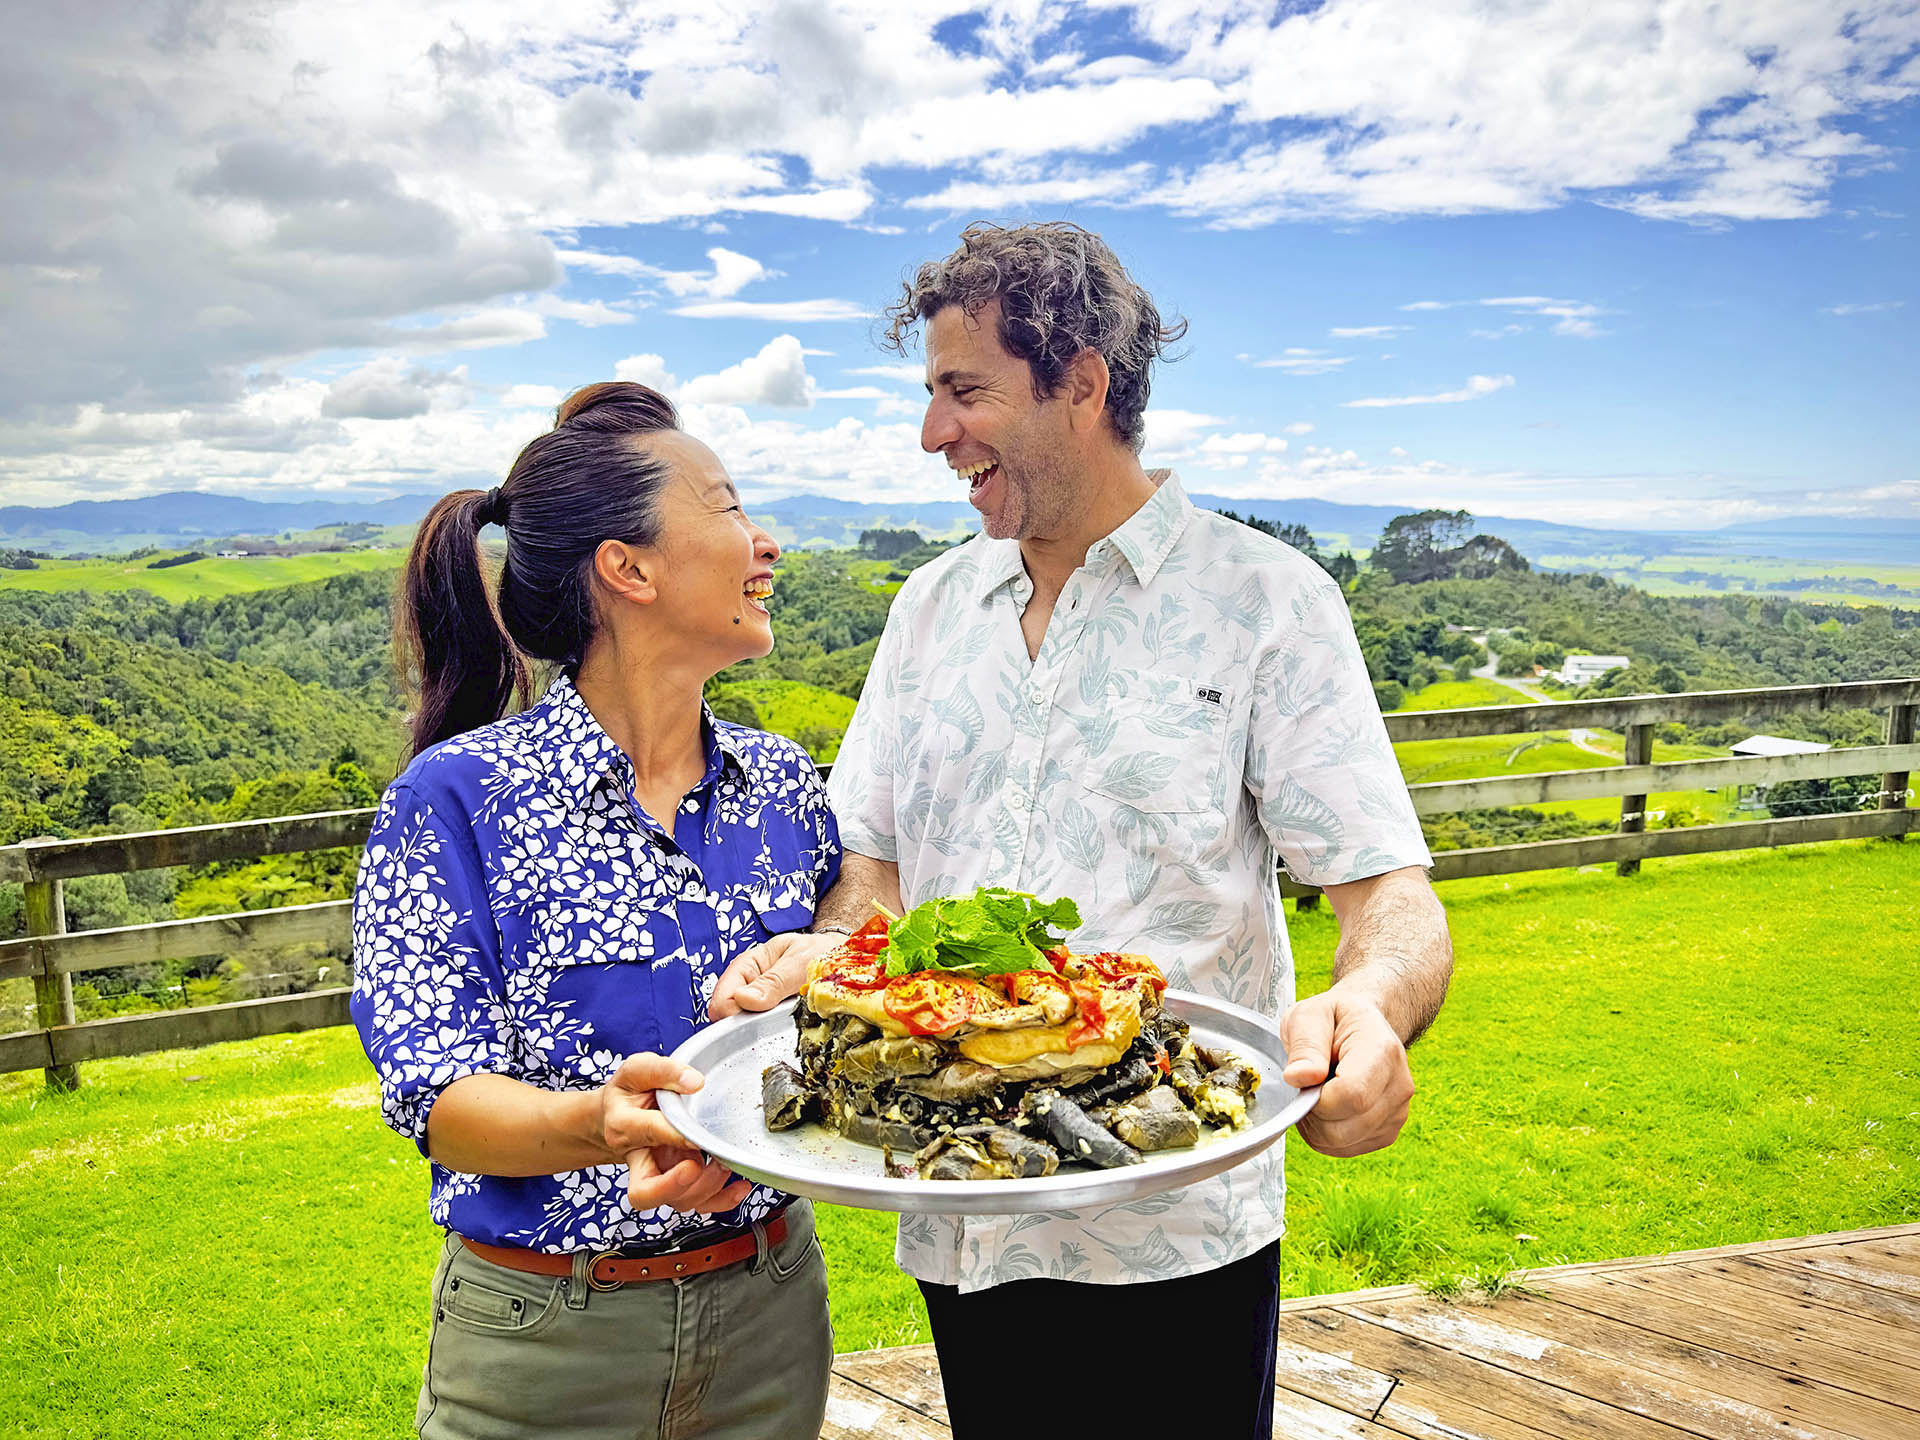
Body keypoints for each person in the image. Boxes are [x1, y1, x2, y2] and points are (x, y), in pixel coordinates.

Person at [711, 223, 1452, 1436]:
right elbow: (874, 875)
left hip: (1172, 1230)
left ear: (1084, 385)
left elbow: (1389, 898)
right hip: (957, 1213)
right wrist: (831, 952)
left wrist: (1371, 1009)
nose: (932, 433)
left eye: (966, 392)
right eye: (932, 394)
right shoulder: (931, 608)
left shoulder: (1268, 604)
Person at [350, 382, 837, 1440]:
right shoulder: (457, 800)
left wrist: (834, 956)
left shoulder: (787, 786)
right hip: (543, 1339)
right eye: (728, 509)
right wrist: (599, 1125)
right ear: (629, 569)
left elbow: (849, 965)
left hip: (772, 1312)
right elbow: (437, 1101)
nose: (767, 546)